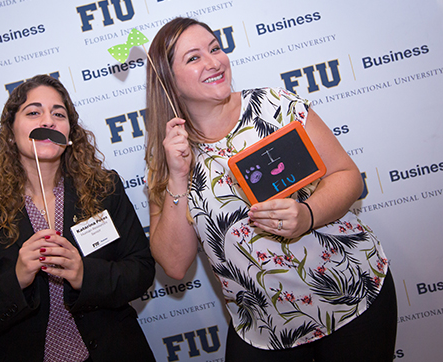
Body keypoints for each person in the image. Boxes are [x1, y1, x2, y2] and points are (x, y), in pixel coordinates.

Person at [145, 17, 397, 362]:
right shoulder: (167, 159)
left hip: (352, 294)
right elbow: (174, 265)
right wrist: (177, 175)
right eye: (194, 57)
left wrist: (307, 215)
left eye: (215, 48)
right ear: (168, 79)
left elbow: (348, 176)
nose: (214, 61)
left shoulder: (276, 107)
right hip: (265, 329)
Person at [0, 75, 156, 362]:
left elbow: (141, 269)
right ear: (10, 132)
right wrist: (16, 279)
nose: (48, 121)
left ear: (69, 133)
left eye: (58, 114)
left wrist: (83, 275)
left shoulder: (105, 189)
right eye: (33, 112)